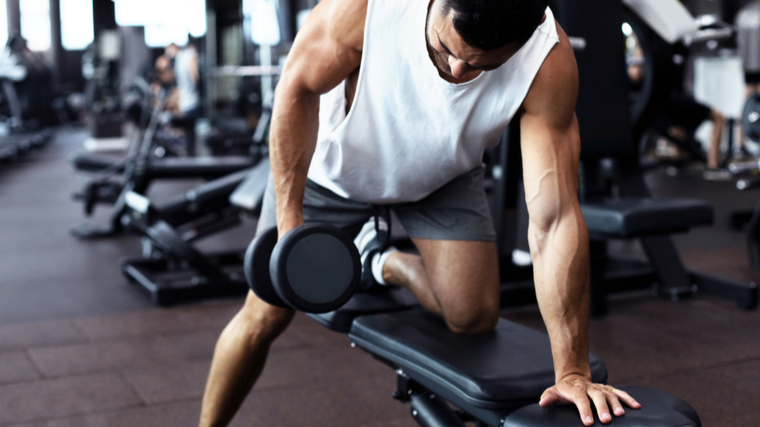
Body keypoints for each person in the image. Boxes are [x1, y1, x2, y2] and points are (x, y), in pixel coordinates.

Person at [198, 1, 642, 426]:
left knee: (472, 317)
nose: (456, 72)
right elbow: (296, 88)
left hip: (440, 174)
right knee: (265, 314)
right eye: (445, 49)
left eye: (482, 66)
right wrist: (291, 225)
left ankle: (380, 261)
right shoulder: (366, 9)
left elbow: (555, 218)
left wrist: (572, 372)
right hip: (333, 170)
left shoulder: (548, 61)